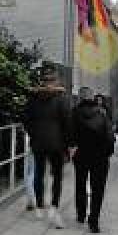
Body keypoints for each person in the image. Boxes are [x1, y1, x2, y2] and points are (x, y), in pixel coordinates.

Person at [22, 76, 70, 227]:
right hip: (57, 144)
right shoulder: (61, 100)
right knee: (57, 176)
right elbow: (67, 122)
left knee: (38, 173)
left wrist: (33, 134)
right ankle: (54, 206)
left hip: (38, 143)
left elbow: (25, 119)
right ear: (55, 83)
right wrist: (68, 143)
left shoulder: (33, 99)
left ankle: (39, 208)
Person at [67, 86, 114, 233]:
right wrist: (107, 153)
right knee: (98, 189)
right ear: (92, 98)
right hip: (100, 157)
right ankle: (93, 221)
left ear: (80, 98)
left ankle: (81, 215)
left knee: (80, 184)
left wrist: (72, 148)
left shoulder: (74, 113)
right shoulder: (102, 113)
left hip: (81, 155)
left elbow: (69, 135)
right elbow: (110, 136)